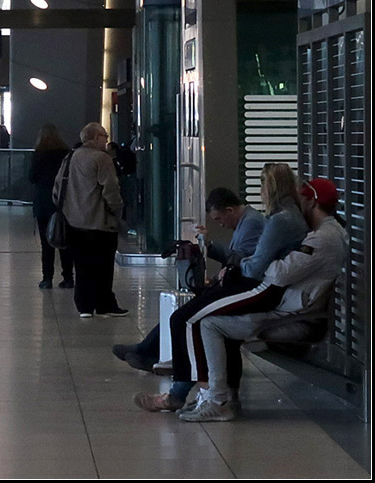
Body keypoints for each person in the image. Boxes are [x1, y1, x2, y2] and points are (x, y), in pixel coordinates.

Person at [132, 162, 307, 413]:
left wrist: (236, 263)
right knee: (186, 316)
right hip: (262, 285)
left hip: (260, 288)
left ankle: (199, 391)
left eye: (262, 186)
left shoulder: (279, 221)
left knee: (188, 319)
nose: (261, 193)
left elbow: (255, 266)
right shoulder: (286, 218)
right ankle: (187, 386)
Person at [179, 177, 347, 422]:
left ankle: (217, 400)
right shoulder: (331, 232)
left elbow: (278, 274)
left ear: (311, 202)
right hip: (295, 309)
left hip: (294, 318)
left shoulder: (322, 239)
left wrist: (265, 261)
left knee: (210, 323)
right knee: (217, 316)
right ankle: (226, 398)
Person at [113, 187, 266, 371]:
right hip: (240, 284)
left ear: (230, 211)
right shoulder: (247, 222)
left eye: (219, 219)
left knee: (188, 312)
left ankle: (154, 354)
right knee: (187, 309)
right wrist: (208, 245)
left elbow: (238, 259)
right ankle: (147, 350)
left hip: (245, 287)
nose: (221, 225)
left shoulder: (251, 223)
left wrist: (218, 270)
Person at [53, 122, 124, 317]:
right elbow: (111, 190)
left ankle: (84, 306)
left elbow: (57, 189)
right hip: (99, 223)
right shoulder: (102, 159)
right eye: (104, 135)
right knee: (103, 266)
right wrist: (117, 211)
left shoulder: (70, 157)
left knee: (82, 266)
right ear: (94, 137)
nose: (107, 139)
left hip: (74, 223)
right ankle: (104, 305)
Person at [29, 124, 73, 290]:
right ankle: (68, 278)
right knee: (64, 241)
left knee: (46, 243)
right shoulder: (66, 153)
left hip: (43, 202)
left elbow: (31, 177)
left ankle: (47, 278)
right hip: (63, 202)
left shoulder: (39, 154)